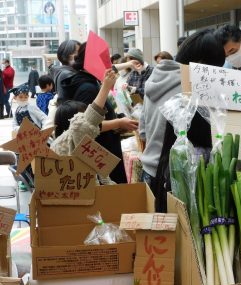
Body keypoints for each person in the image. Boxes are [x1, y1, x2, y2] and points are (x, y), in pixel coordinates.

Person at [139, 28, 225, 212]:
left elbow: (143, 131)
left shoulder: (155, 79)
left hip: (148, 171)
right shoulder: (189, 87)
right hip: (171, 178)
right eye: (214, 68)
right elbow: (206, 136)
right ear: (202, 64)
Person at [61, 42, 138, 184]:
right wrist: (118, 123)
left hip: (102, 150)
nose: (109, 65)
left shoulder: (87, 80)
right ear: (92, 62)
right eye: (105, 61)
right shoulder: (87, 88)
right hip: (100, 153)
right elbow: (85, 125)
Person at [52, 70, 118, 186]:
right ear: (72, 123)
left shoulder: (84, 144)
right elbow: (86, 122)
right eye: (80, 117)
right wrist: (105, 87)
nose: (83, 119)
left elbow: (104, 176)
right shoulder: (68, 139)